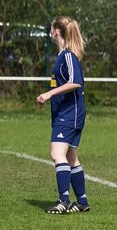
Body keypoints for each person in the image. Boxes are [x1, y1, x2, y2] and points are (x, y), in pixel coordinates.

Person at [36, 16, 90, 214]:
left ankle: (64, 200)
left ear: (56, 31)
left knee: (56, 154)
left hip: (69, 114)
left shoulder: (68, 55)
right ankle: (82, 201)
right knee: (71, 157)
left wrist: (49, 94)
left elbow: (75, 82)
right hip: (70, 113)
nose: (50, 31)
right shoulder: (64, 55)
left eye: (51, 28)